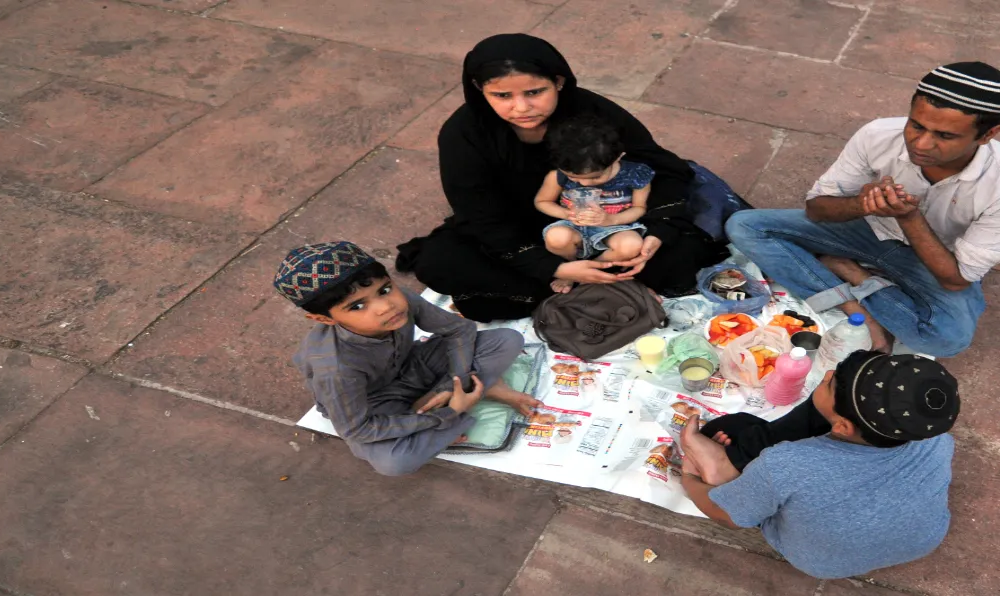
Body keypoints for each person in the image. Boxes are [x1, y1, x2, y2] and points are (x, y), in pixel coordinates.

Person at [397, 33, 728, 321]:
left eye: (534, 92)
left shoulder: (594, 113)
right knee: (439, 263)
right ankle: (593, 281)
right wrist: (553, 268)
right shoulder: (464, 135)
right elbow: (480, 215)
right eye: (502, 96)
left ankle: (583, 286)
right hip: (520, 232)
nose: (521, 107)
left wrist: (657, 233)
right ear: (479, 90)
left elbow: (662, 169)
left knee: (674, 253)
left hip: (612, 222)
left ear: (559, 81)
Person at [727, 62, 1000, 357]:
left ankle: (852, 271)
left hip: (933, 260)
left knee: (949, 338)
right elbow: (817, 209)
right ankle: (857, 311)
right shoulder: (878, 135)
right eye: (916, 125)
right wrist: (859, 204)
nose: (921, 143)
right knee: (744, 226)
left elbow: (956, 279)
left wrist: (909, 217)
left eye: (944, 136)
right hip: (867, 232)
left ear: (988, 135)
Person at [678, 351, 961, 579]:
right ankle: (733, 470)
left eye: (830, 383)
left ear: (841, 427)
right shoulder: (937, 440)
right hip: (923, 540)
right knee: (750, 429)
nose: (825, 375)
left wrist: (689, 477)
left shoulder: (789, 464)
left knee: (732, 427)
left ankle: (725, 475)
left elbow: (726, 517)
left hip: (822, 563)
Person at [274, 241, 541, 476]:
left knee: (507, 340)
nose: (385, 306)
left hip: (414, 366)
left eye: (384, 289)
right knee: (394, 462)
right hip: (376, 402)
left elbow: (459, 329)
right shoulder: (335, 369)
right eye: (357, 306)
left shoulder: (398, 302)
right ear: (324, 319)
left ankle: (450, 399)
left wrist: (453, 384)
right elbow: (358, 429)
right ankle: (472, 397)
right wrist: (448, 413)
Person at [536, 113, 653, 293]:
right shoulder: (557, 176)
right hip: (573, 225)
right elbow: (542, 201)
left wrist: (611, 220)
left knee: (632, 245)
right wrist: (567, 214)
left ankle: (593, 268)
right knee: (556, 237)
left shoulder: (635, 174)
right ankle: (570, 268)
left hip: (615, 228)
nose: (584, 184)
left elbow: (639, 208)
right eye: (573, 177)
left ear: (617, 158)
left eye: (596, 177)